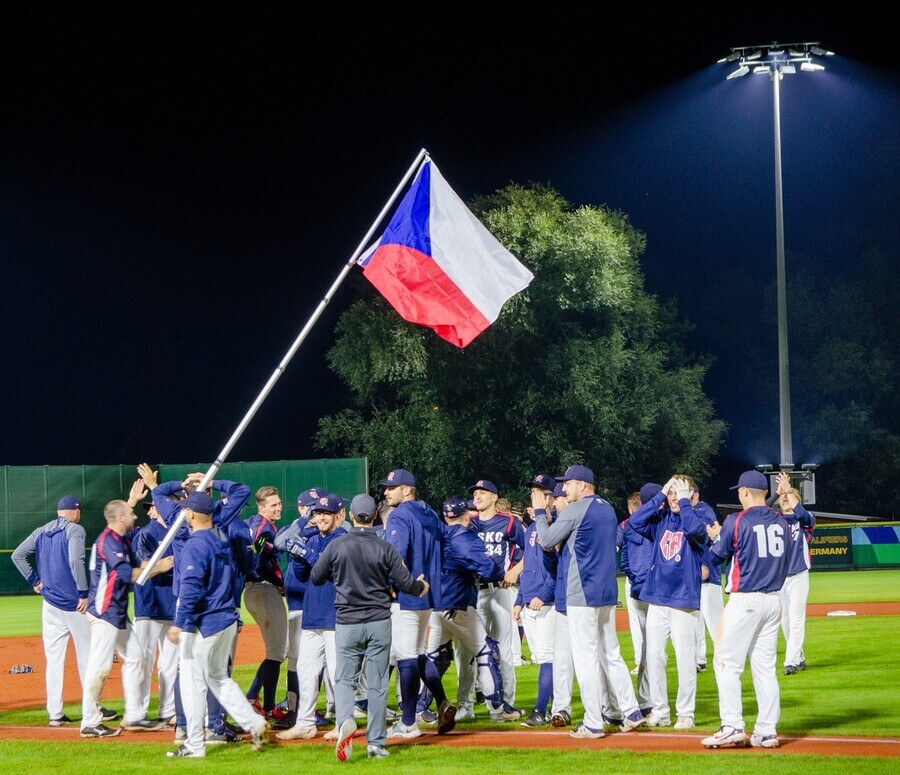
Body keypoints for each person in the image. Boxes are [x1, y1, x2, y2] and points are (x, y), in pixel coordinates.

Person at [309, 493, 430, 761]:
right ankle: (376, 743)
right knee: (376, 684)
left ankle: (345, 723)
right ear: (375, 516)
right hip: (378, 620)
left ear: (351, 516)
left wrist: (338, 574)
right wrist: (421, 586)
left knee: (344, 679)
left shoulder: (337, 545)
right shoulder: (385, 546)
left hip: (347, 622)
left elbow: (316, 576)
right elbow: (405, 582)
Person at [531, 464, 646, 739]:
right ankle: (631, 711)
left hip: (581, 592)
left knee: (586, 659)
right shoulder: (607, 507)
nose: (565, 488)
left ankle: (594, 722)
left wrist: (539, 514)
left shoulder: (575, 508)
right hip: (606, 591)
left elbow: (546, 539)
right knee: (611, 654)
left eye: (568, 483)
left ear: (582, 485)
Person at [165, 491, 269, 758]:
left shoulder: (195, 544)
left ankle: (194, 745)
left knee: (192, 682)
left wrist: (179, 622)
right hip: (226, 618)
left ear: (190, 514)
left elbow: (191, 588)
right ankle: (254, 723)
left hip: (204, 622)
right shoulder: (220, 539)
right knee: (218, 678)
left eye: (185, 510)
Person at [701, 470, 790, 750]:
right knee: (764, 669)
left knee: (726, 663)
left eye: (740, 491)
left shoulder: (735, 520)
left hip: (746, 599)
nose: (739, 495)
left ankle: (732, 726)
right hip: (774, 600)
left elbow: (715, 557)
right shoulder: (782, 522)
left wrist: (717, 536)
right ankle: (765, 730)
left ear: (746, 492)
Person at [81, 491, 174, 737]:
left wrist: (158, 564)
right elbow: (126, 574)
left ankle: (134, 716)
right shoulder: (110, 541)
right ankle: (89, 721)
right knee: (99, 666)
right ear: (121, 518)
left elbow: (139, 565)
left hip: (117, 613)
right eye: (131, 513)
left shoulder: (119, 539)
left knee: (136, 657)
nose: (135, 516)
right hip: (104, 611)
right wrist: (159, 567)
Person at [418, 494, 508, 728]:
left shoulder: (437, 536)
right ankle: (498, 709)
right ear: (466, 514)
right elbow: (490, 568)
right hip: (458, 603)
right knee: (486, 651)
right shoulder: (465, 538)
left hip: (436, 604)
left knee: (434, 657)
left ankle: (420, 708)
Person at [627, 476, 708, 730]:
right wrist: (661, 495)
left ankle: (686, 712)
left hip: (683, 599)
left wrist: (684, 502)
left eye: (679, 493)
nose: (674, 497)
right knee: (654, 656)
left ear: (691, 496)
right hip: (657, 598)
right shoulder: (661, 519)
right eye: (672, 493)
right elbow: (635, 522)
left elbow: (696, 532)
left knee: (685, 658)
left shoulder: (697, 517)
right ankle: (660, 710)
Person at [11, 494, 94, 727]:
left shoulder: (41, 531)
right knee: (87, 658)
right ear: (75, 511)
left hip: (49, 605)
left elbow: (18, 555)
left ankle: (55, 714)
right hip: (73, 604)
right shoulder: (75, 530)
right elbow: (76, 561)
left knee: (54, 661)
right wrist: (83, 592)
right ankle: (91, 711)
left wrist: (34, 580)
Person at [274, 493, 346, 740]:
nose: (322, 518)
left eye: (326, 513)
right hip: (312, 616)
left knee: (338, 673)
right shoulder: (314, 539)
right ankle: (305, 722)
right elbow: (305, 576)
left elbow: (335, 573)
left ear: (339, 515)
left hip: (336, 616)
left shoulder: (343, 540)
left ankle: (343, 722)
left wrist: (308, 555)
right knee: (306, 671)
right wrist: (297, 557)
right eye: (318, 513)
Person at [380, 468, 445, 739]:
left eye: (392, 488)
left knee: (406, 657)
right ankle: (442, 702)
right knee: (418, 654)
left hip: (408, 594)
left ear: (407, 490)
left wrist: (400, 585)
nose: (386, 492)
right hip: (429, 595)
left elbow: (394, 558)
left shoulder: (400, 515)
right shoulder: (429, 513)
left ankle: (407, 723)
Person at [468, 478, 525, 719]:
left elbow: (531, 550)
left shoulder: (509, 522)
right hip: (472, 592)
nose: (477, 496)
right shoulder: (468, 523)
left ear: (494, 497)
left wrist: (516, 569)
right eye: (475, 493)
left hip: (499, 590)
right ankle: (467, 704)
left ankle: (505, 704)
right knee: (470, 651)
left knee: (503, 649)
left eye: (482, 493)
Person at [271, 488, 323, 727]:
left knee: (319, 660)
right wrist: (304, 522)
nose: (317, 512)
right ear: (303, 508)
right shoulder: (296, 528)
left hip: (317, 602)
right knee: (296, 659)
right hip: (297, 604)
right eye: (313, 507)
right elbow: (279, 542)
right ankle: (294, 708)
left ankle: (312, 707)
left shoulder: (324, 530)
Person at [514, 474, 558, 727]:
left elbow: (556, 570)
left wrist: (543, 595)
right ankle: (552, 708)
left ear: (551, 496)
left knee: (548, 658)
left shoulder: (554, 524)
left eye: (539, 491)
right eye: (533, 490)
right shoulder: (533, 527)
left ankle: (541, 710)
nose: (534, 494)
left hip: (547, 604)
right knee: (545, 657)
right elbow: (529, 566)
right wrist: (520, 599)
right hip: (531, 601)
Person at [131, 497, 178, 728]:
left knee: (170, 663)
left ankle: (167, 710)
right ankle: (137, 712)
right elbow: (141, 568)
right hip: (149, 605)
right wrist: (160, 566)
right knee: (143, 661)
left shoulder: (179, 533)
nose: (151, 510)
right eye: (151, 507)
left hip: (172, 605)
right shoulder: (147, 534)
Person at [243, 485, 288, 721]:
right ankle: (268, 707)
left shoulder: (254, 523)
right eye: (273, 504)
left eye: (279, 502)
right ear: (262, 507)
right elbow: (256, 557)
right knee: (277, 651)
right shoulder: (264, 529)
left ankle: (253, 696)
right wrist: (277, 580)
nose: (278, 507)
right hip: (262, 588)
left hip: (256, 589)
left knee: (276, 650)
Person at [618, 485, 657, 716]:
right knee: (649, 646)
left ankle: (651, 702)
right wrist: (636, 579)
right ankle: (648, 702)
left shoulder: (630, 526)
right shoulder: (633, 527)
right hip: (643, 589)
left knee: (649, 645)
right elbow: (624, 558)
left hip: (647, 588)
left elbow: (623, 557)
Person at [774, 471, 815, 675]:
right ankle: (798, 657)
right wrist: (778, 493)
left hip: (799, 575)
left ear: (797, 500)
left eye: (789, 497)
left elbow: (803, 515)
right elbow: (760, 509)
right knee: (785, 621)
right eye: (782, 498)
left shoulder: (805, 520)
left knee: (797, 618)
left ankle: (790, 661)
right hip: (780, 577)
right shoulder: (774, 520)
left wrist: (789, 489)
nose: (785, 500)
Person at [692, 483, 724, 673]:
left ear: (695, 494)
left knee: (714, 621)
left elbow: (709, 536)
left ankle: (724, 656)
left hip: (709, 574)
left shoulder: (704, 510)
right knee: (695, 621)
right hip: (694, 576)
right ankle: (699, 659)